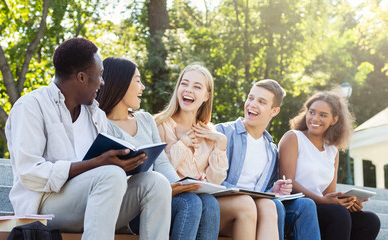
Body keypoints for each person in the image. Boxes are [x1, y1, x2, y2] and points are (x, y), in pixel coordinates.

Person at [5, 38, 172, 240]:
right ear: (82, 78)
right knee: (110, 174)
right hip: (44, 206)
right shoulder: (31, 106)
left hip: (94, 200)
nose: (102, 82)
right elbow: (29, 172)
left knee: (156, 182)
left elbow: (104, 175)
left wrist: (126, 164)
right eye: (100, 75)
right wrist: (97, 164)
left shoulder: (96, 115)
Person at [96, 57, 220, 240]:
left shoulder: (145, 120)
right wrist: (169, 188)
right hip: (126, 207)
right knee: (189, 203)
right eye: (138, 81)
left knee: (210, 203)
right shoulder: (100, 123)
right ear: (121, 84)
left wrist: (180, 184)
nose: (142, 87)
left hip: (157, 196)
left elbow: (161, 162)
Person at [154, 63, 279, 240]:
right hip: (174, 200)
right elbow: (158, 168)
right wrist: (182, 144)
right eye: (184, 84)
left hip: (202, 199)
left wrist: (220, 144)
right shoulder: (159, 125)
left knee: (256, 205)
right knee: (238, 204)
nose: (188, 90)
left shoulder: (209, 132)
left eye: (197, 87)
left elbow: (215, 181)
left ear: (206, 96)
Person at [215, 79, 321, 240]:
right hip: (222, 207)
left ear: (274, 111)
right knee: (250, 204)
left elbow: (262, 193)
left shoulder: (271, 151)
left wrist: (273, 191)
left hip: (254, 210)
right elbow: (212, 180)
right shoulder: (223, 132)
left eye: (261, 102)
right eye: (250, 98)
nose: (252, 104)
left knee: (269, 204)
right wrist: (250, 196)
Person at [278, 90, 381, 240]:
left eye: (323, 115)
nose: (315, 118)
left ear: (334, 120)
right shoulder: (293, 138)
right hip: (296, 206)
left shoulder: (332, 151)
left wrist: (347, 202)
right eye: (311, 112)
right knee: (338, 214)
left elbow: (329, 193)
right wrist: (321, 200)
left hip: (321, 207)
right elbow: (286, 182)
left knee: (370, 220)